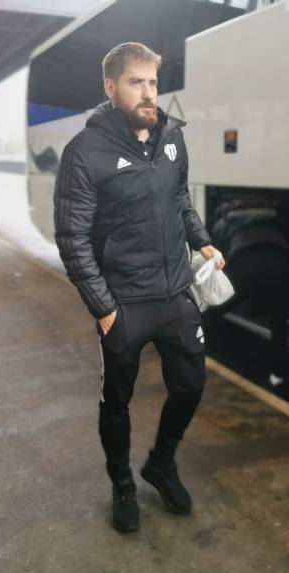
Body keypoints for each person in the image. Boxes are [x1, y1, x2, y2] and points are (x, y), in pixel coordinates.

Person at [53, 42, 225, 533]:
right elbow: (71, 236)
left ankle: (161, 464)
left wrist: (202, 242)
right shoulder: (84, 153)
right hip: (124, 303)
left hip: (175, 293)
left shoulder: (172, 136)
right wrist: (103, 307)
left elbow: (180, 199)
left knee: (191, 385)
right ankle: (122, 483)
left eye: (153, 82)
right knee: (116, 403)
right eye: (136, 82)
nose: (149, 92)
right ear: (110, 88)